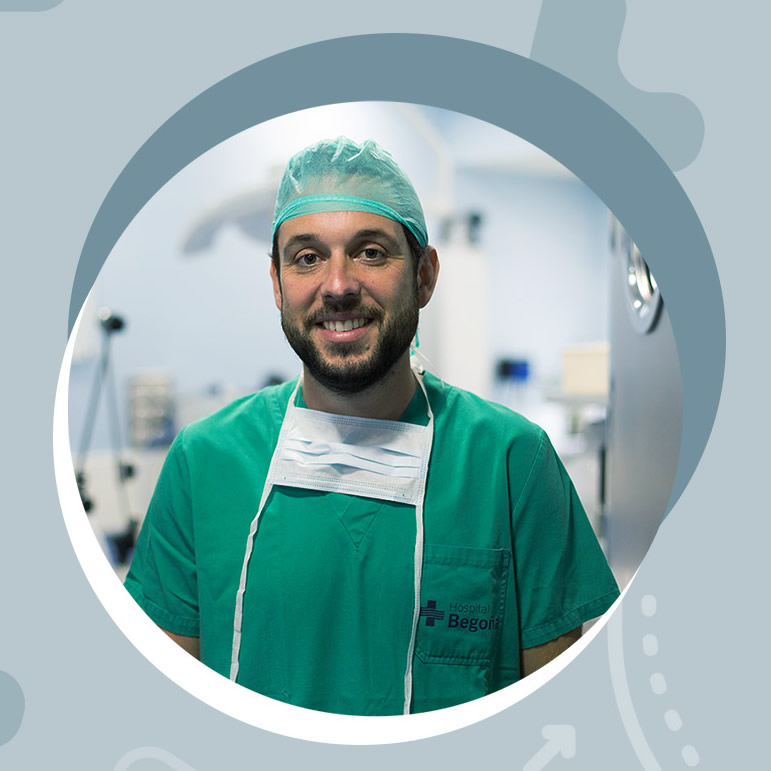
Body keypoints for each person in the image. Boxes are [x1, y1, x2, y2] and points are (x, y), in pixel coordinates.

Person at [124, 137, 620, 716]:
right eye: (307, 257)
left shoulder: (511, 462)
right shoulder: (204, 462)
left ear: (425, 276)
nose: (338, 285)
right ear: (277, 284)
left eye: (370, 252)